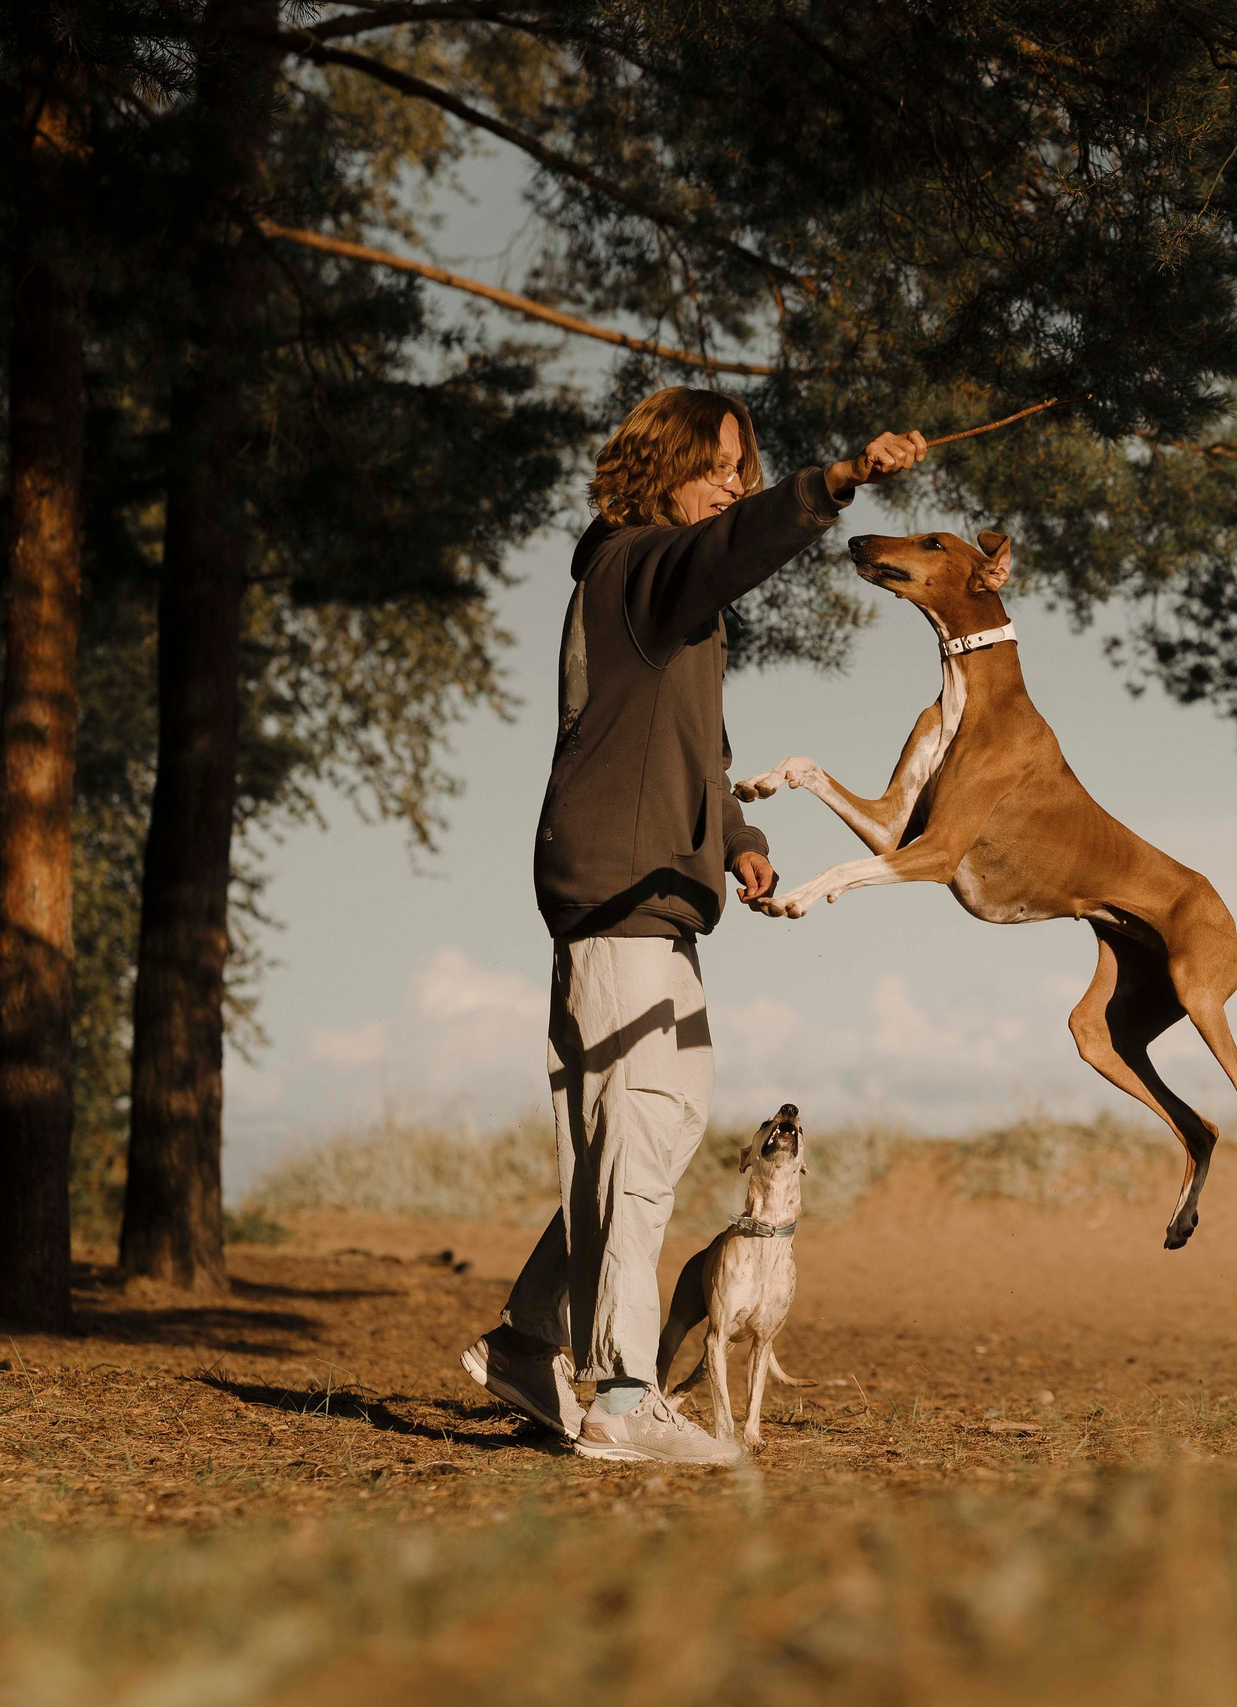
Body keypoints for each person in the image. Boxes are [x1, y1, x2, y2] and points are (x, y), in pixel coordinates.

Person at [460, 388, 927, 1464]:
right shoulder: (640, 563)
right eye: (720, 464)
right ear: (659, 464)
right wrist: (838, 481)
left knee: (635, 1137)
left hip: (644, 896)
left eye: (747, 469)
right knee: (646, 1132)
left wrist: (733, 836)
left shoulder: (663, 598)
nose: (735, 484)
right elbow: (728, 550)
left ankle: (532, 1342)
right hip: (621, 895)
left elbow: (697, 752)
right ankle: (621, 1395)